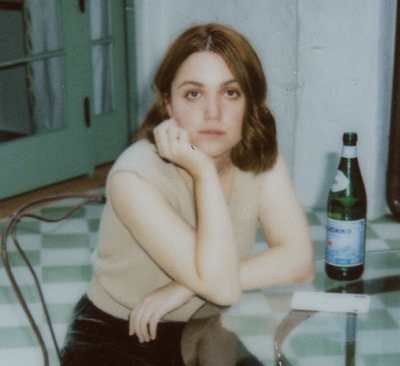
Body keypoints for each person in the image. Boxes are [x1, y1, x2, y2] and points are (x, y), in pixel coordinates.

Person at [61, 23, 314, 365]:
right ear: (168, 104)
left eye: (231, 93)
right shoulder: (133, 177)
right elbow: (223, 289)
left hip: (201, 330)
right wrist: (203, 172)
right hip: (118, 334)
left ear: (250, 102)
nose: (213, 113)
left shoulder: (258, 156)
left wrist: (184, 287)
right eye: (193, 94)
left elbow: (299, 263)